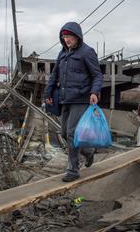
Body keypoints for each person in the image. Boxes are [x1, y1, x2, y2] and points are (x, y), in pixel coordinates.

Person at [43, 22, 103, 182]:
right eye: (64, 36)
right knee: (64, 133)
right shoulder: (62, 54)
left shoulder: (87, 52)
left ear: (77, 36)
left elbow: (97, 75)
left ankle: (73, 170)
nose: (66, 39)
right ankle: (88, 151)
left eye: (69, 36)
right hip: (66, 99)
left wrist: (94, 92)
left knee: (71, 133)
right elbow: (54, 75)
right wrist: (47, 93)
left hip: (82, 98)